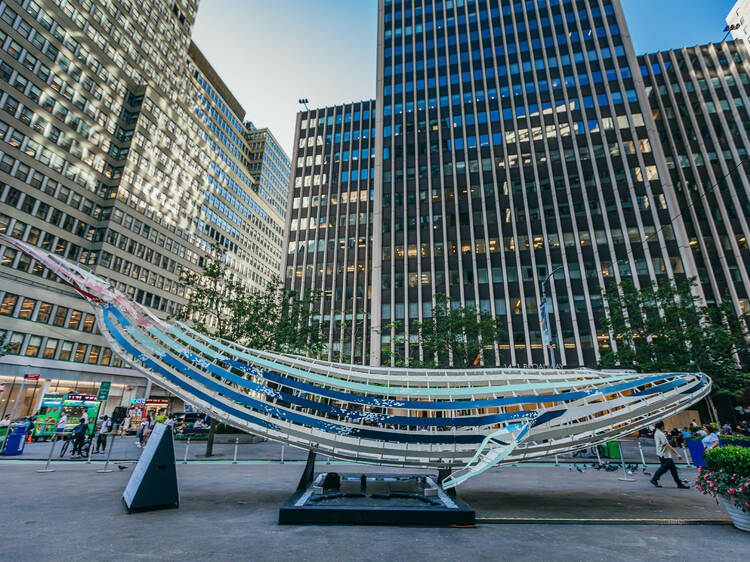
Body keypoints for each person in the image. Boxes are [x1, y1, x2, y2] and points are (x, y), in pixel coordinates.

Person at [650, 421, 690, 489]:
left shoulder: (656, 432)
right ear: (662, 426)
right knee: (663, 469)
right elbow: (667, 445)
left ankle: (679, 483)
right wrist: (677, 454)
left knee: (672, 469)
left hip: (661, 453)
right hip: (664, 454)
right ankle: (654, 479)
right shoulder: (660, 434)